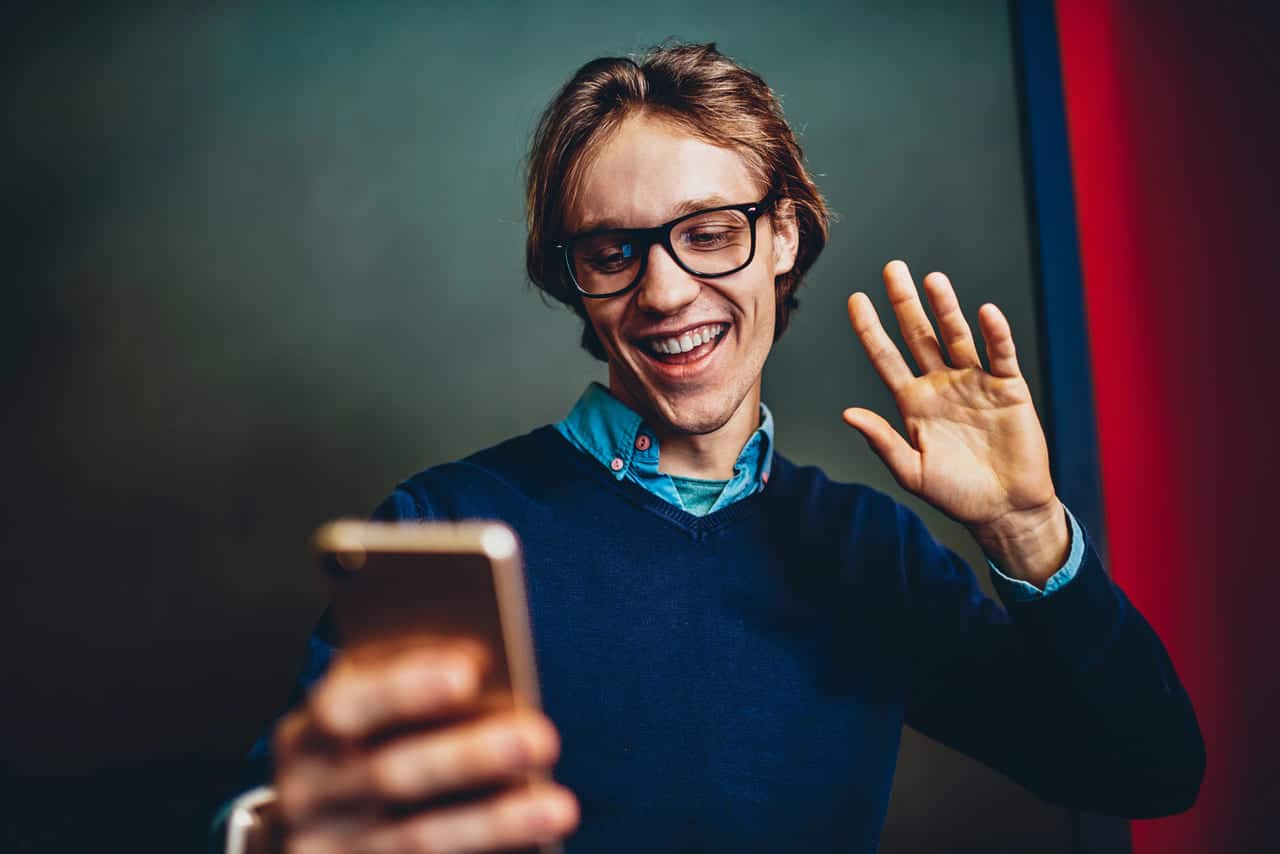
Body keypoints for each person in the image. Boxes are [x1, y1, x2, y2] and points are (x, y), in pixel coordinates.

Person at [225, 42, 1204, 853]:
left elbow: (1147, 769)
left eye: (707, 231)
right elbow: (297, 812)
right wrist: (277, 831)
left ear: (781, 234)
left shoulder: (868, 555)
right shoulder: (441, 528)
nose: (661, 292)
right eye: (613, 251)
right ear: (574, 281)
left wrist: (1029, 531)